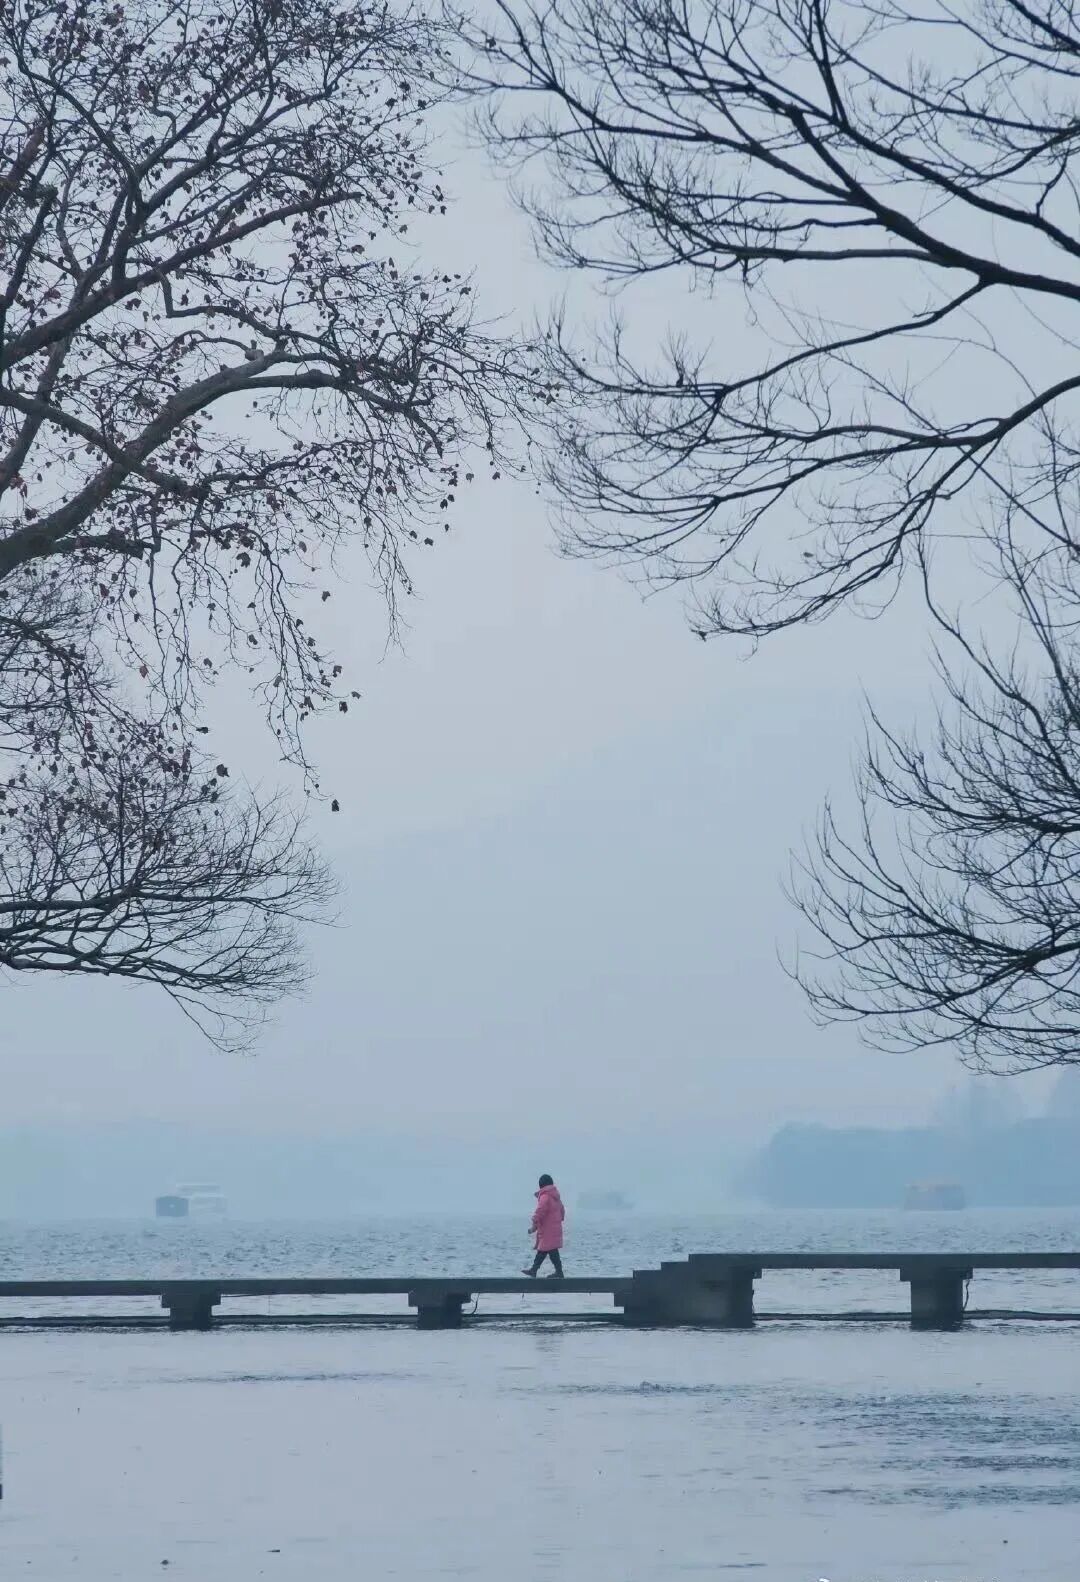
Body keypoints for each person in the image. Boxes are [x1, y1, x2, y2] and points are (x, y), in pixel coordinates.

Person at [523, 1173, 565, 1278]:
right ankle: (536, 1270)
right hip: (554, 1229)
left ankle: (536, 1270)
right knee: (548, 1251)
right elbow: (562, 1210)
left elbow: (540, 1210)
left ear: (541, 1185)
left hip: (547, 1230)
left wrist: (534, 1221)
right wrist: (558, 1220)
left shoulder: (545, 1196)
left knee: (546, 1250)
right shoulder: (556, 1197)